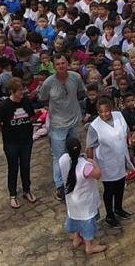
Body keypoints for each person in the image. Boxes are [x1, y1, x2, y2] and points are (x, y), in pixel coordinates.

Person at [38, 53, 87, 199]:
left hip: (73, 121)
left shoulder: (75, 77)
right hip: (58, 124)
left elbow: (80, 92)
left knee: (73, 152)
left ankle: (74, 178)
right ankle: (60, 185)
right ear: (54, 65)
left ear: (68, 63)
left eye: (63, 63)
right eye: (58, 64)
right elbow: (43, 98)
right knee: (58, 156)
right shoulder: (48, 83)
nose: (61, 66)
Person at [0, 79, 39, 207]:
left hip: (26, 141)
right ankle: (12, 194)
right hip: (11, 143)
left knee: (25, 165)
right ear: (12, 92)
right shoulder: (3, 107)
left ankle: (26, 190)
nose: (22, 92)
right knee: (13, 168)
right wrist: (6, 133)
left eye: (23, 89)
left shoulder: (27, 102)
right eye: (19, 90)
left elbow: (31, 116)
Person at [87, 98, 131, 228]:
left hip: (120, 158)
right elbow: (90, 147)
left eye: (107, 111)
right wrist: (91, 166)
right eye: (101, 112)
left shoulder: (118, 116)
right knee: (109, 189)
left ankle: (118, 208)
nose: (105, 114)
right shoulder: (95, 126)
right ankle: (110, 215)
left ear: (111, 108)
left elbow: (126, 131)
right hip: (106, 162)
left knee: (120, 184)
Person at [58, 137, 108, 256]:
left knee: (75, 216)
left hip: (72, 198)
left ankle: (77, 238)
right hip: (85, 201)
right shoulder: (86, 166)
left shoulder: (63, 160)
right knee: (87, 221)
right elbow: (98, 175)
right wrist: (93, 162)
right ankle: (89, 246)